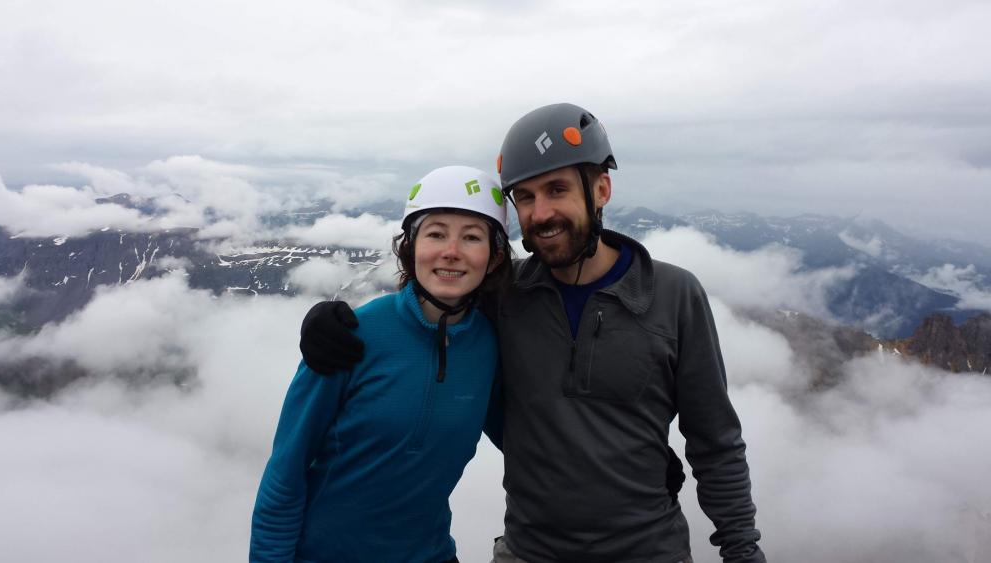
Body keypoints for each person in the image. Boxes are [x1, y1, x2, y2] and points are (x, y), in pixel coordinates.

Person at [301, 104, 765, 563]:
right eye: (523, 197)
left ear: (601, 189)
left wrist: (742, 550)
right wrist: (329, 321)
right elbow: (429, 303)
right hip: (529, 550)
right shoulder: (503, 294)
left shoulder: (673, 295)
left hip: (649, 549)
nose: (540, 213)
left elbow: (715, 441)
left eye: (557, 189)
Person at [250, 165, 512, 563]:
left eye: (471, 237)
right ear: (410, 247)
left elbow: (523, 440)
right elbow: (286, 473)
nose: (451, 251)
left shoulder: (489, 346)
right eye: (436, 233)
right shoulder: (350, 336)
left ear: (493, 259)